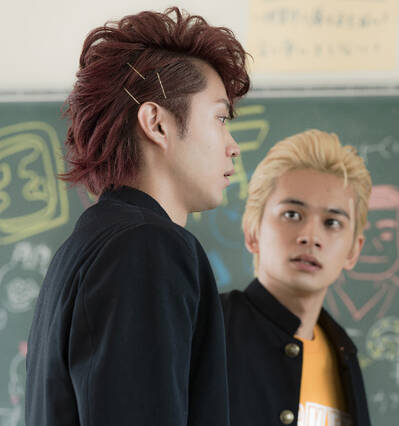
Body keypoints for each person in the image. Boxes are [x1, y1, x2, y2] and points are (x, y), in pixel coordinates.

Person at [26, 7, 249, 426]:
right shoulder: (147, 245)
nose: (232, 145)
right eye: (220, 118)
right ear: (156, 124)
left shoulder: (88, 245)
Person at [221, 130, 372, 426]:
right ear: (252, 232)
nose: (310, 237)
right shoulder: (208, 327)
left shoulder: (343, 352)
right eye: (292, 214)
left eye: (332, 222)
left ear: (354, 250)